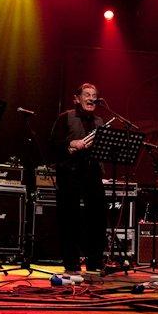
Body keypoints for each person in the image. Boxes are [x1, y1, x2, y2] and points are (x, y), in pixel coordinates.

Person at [49, 83, 107, 274]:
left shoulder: (100, 121)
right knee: (69, 218)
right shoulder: (65, 117)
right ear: (77, 98)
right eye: (87, 95)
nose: (91, 98)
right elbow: (53, 144)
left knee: (97, 218)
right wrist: (71, 144)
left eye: (94, 95)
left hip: (93, 173)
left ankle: (95, 262)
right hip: (70, 173)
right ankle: (71, 263)